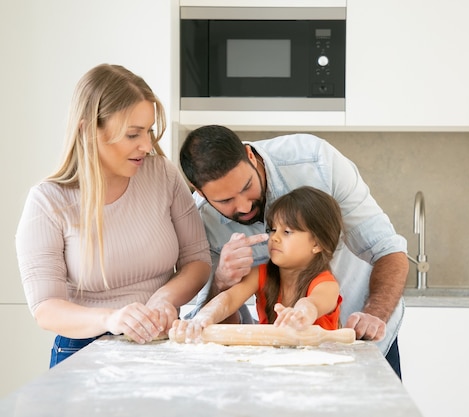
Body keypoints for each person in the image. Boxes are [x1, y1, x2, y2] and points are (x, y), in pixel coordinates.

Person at [15, 64, 212, 367]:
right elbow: (46, 308)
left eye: (148, 131)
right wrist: (113, 318)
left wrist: (163, 299)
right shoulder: (48, 202)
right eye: (133, 134)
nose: (147, 146)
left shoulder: (163, 175)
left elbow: (197, 261)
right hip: (81, 353)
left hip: (161, 345)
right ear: (88, 131)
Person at [179, 125, 408, 378]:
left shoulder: (316, 160)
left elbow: (387, 249)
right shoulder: (200, 221)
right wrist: (213, 296)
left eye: (246, 187)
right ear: (199, 191)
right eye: (225, 201)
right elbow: (227, 301)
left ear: (250, 156)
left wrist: (371, 315)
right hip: (273, 366)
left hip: (363, 341)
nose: (243, 206)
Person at [170, 186, 344, 342]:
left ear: (317, 244)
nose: (274, 237)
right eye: (273, 229)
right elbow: (229, 299)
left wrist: (301, 314)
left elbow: (312, 303)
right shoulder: (261, 274)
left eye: (287, 232)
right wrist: (203, 317)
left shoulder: (326, 284)